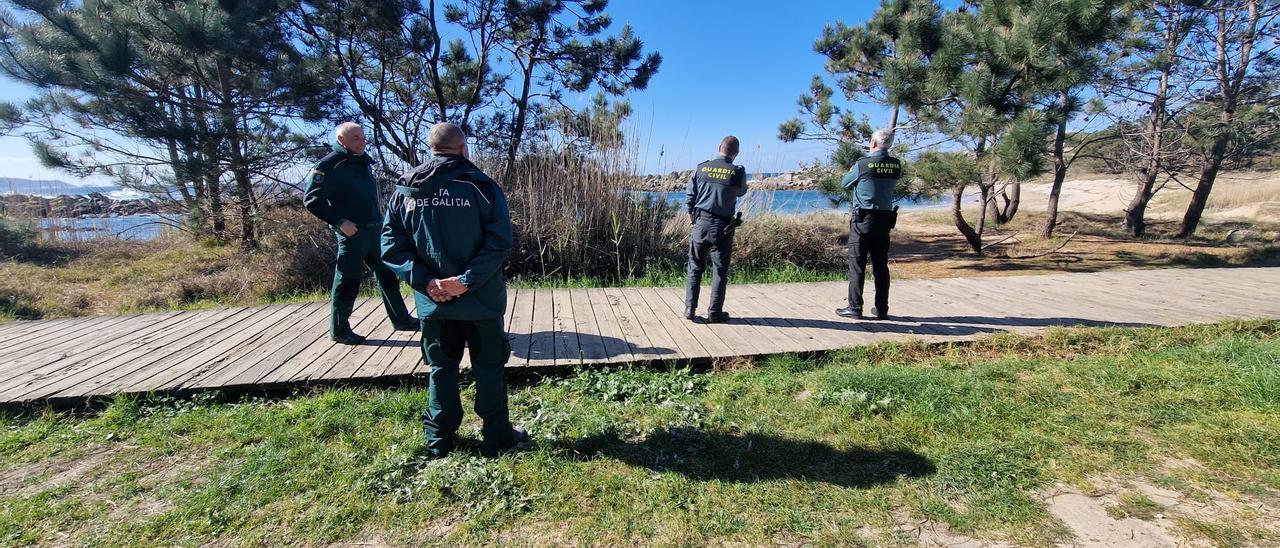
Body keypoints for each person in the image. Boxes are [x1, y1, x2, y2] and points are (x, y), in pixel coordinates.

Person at [381, 122, 527, 458]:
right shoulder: (482, 186)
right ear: (463, 148)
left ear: (431, 149)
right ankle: (496, 437)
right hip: (481, 302)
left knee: (441, 368)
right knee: (489, 367)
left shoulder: (405, 190)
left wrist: (427, 282)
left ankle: (439, 440)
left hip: (434, 304)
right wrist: (465, 281)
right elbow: (499, 242)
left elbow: (390, 244)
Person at [303, 122, 417, 345]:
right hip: (352, 234)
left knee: (387, 275)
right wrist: (340, 222)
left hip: (374, 230)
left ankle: (401, 319)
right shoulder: (329, 165)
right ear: (341, 140)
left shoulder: (362, 161)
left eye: (363, 137)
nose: (362, 141)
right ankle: (339, 329)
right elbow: (311, 200)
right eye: (355, 138)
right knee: (347, 281)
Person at [836, 128, 902, 320]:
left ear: (873, 143)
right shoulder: (896, 165)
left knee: (857, 263)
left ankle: (855, 307)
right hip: (884, 220)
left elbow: (845, 183)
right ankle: (882, 308)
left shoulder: (863, 164)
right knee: (881, 265)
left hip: (863, 220)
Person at [684, 136, 748, 324]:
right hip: (723, 227)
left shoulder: (701, 168)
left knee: (695, 267)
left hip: (700, 223)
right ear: (736, 153)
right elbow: (741, 192)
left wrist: (694, 222)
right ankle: (715, 312)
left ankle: (690, 308)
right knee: (720, 271)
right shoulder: (737, 173)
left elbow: (689, 199)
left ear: (719, 147)